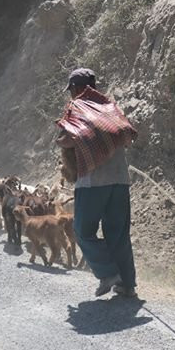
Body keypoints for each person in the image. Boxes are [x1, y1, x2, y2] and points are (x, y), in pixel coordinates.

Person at [55, 68, 139, 298]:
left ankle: (109, 273)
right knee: (118, 233)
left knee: (82, 231)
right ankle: (127, 284)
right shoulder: (109, 108)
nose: (71, 95)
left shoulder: (78, 108)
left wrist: (61, 142)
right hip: (120, 180)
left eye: (71, 90)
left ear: (76, 88)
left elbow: (70, 138)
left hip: (92, 182)